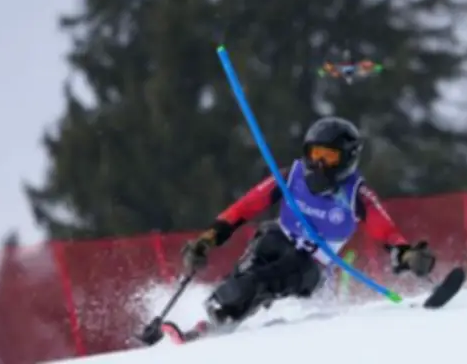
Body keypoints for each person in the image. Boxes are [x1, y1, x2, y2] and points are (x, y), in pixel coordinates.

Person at [181, 116, 436, 336]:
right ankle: (213, 321)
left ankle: (221, 313)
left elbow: (385, 230)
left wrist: (406, 253)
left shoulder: (357, 194)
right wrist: (207, 240)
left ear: (347, 158)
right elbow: (244, 208)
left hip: (310, 265)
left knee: (260, 281)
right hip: (277, 239)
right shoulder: (291, 176)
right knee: (250, 269)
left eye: (329, 156)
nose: (320, 164)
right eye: (316, 155)